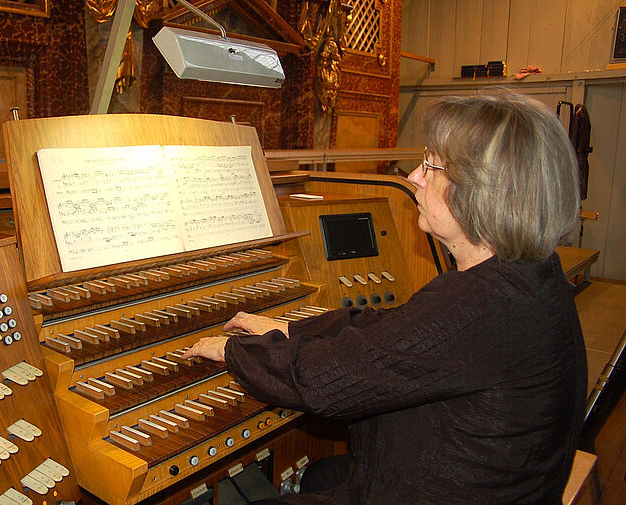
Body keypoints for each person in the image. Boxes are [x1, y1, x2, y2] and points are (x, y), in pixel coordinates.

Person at [182, 92, 587, 505]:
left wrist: (235, 351)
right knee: (323, 473)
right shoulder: (523, 276)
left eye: (431, 166)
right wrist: (290, 327)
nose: (413, 176)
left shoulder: (482, 304)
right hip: (475, 480)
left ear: (482, 192)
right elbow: (392, 332)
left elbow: (327, 381)